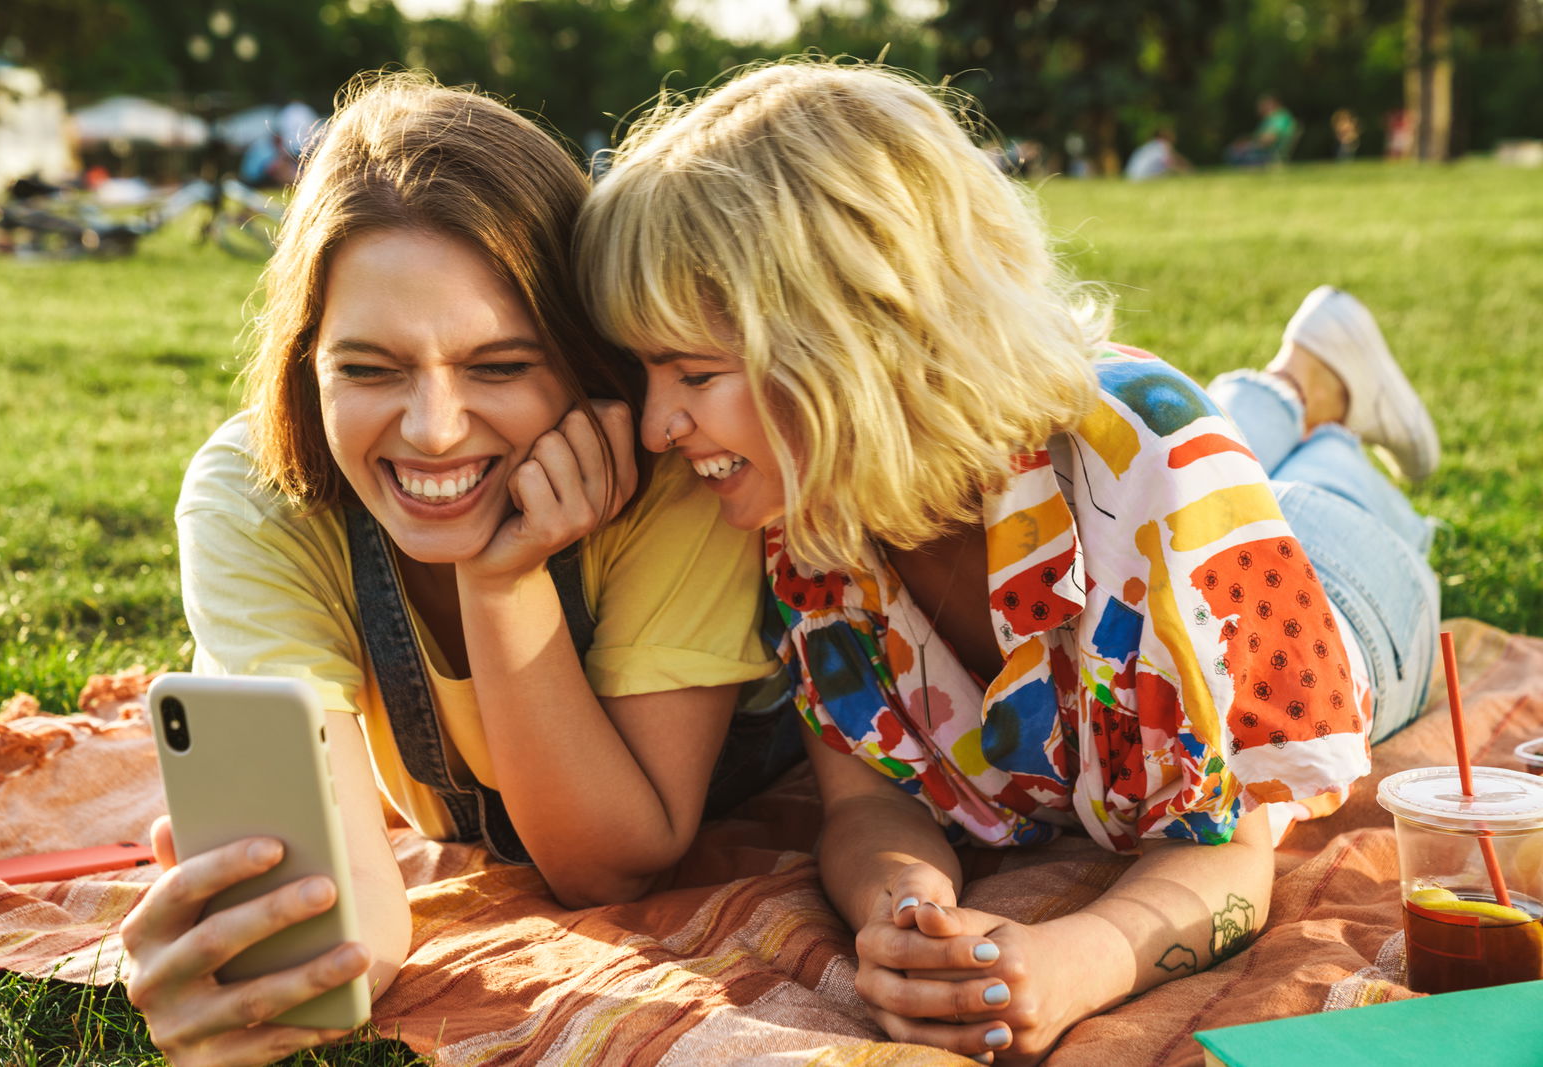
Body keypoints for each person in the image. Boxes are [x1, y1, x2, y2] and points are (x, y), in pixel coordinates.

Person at [575, 60, 1441, 1063]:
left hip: (1330, 590)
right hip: (1130, 498)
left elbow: (1234, 849)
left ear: (861, 340)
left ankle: (1315, 396)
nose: (653, 426)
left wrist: (1091, 952)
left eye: (693, 372)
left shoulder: (1158, 465)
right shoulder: (801, 505)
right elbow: (866, 800)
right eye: (643, 371)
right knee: (1171, 455)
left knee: (1302, 482)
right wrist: (905, 905)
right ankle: (1301, 373)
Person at [119, 73, 793, 1067]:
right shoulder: (253, 494)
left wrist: (503, 581)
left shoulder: (671, 479)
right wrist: (272, 972)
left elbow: (608, 862)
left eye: (500, 365)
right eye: (369, 367)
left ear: (580, 357)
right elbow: (343, 900)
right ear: (307, 361)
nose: (433, 430)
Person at [1226, 93, 1298, 167]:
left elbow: (1269, 139)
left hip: (1269, 154)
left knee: (1233, 153)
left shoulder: (1279, 118)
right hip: (1266, 151)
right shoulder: (1272, 118)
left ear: (1271, 104)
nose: (1259, 109)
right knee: (1233, 151)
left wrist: (1249, 146)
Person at [1124, 127, 1192, 181]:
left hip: (1131, 176)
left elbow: (1175, 158)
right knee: (1169, 173)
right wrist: (1188, 173)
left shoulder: (1151, 146)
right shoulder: (1162, 146)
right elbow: (1171, 164)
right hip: (1142, 178)